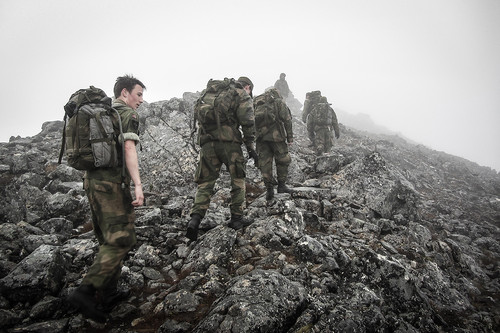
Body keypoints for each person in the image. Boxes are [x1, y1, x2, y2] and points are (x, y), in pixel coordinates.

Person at [68, 75, 146, 322]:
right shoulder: (126, 115)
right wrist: (138, 185)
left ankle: (109, 295)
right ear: (125, 93)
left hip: (92, 182)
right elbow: (129, 148)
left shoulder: (104, 112)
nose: (141, 101)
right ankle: (85, 291)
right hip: (111, 186)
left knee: (107, 240)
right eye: (139, 94)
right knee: (122, 238)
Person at [186, 76, 257, 241]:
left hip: (207, 143)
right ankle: (237, 218)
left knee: (205, 182)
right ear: (247, 86)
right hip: (229, 144)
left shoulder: (210, 93)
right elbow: (247, 122)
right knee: (238, 178)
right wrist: (250, 147)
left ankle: (195, 220)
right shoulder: (241, 94)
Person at [253, 88, 294, 200]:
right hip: (277, 138)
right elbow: (287, 120)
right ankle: (281, 186)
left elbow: (251, 119)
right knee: (283, 160)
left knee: (265, 163)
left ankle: (269, 190)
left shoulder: (257, 102)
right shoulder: (278, 102)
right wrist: (290, 137)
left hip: (261, 139)